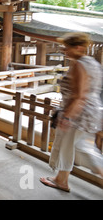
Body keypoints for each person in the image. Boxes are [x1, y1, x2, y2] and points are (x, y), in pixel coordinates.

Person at [40, 32, 103, 192]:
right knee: (80, 147)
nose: (63, 50)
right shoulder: (92, 63)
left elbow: (80, 96)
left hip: (78, 114)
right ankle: (61, 179)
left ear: (78, 48)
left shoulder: (80, 65)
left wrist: (67, 117)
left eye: (66, 47)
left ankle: (62, 180)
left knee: (73, 147)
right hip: (91, 112)